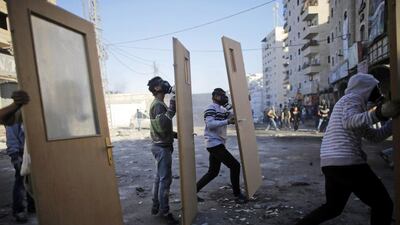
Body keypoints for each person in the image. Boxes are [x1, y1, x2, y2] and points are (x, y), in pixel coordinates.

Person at [295, 73, 400, 225]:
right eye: (376, 87)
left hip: (331, 163)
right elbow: (350, 121)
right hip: (347, 163)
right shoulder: (353, 99)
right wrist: (380, 113)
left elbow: (374, 136)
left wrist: (393, 121)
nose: (379, 92)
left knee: (333, 208)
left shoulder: (351, 105)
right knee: (383, 205)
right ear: (365, 88)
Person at [196, 88, 248, 204]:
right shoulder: (211, 108)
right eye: (221, 95)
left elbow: (236, 115)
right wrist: (227, 122)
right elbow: (210, 125)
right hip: (214, 143)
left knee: (213, 172)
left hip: (218, 143)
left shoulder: (223, 109)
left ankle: (192, 192)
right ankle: (237, 194)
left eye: (224, 95)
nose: (224, 97)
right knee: (235, 166)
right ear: (214, 96)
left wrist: (230, 106)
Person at [147, 76, 179, 225]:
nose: (165, 84)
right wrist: (173, 106)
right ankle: (164, 212)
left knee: (159, 179)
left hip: (159, 145)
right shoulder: (159, 105)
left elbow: (159, 127)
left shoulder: (158, 104)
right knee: (165, 180)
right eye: (161, 83)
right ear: (156, 88)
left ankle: (156, 206)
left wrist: (175, 135)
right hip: (161, 148)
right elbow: (162, 124)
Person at [5, 110, 35, 223]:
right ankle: (19, 210)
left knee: (32, 180)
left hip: (31, 150)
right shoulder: (14, 115)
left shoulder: (31, 111)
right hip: (20, 152)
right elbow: (11, 136)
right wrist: (14, 155)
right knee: (21, 180)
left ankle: (33, 205)